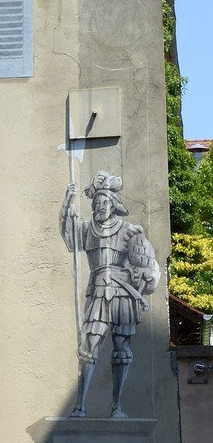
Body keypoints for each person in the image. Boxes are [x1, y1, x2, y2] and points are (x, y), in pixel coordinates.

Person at [60, 173, 160, 418]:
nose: (99, 207)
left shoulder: (129, 231)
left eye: (104, 203)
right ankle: (79, 406)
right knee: (89, 346)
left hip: (123, 294)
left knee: (122, 348)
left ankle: (117, 407)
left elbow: (145, 265)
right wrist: (68, 204)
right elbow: (70, 238)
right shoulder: (86, 229)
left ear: (114, 205)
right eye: (96, 204)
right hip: (97, 292)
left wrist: (143, 275)